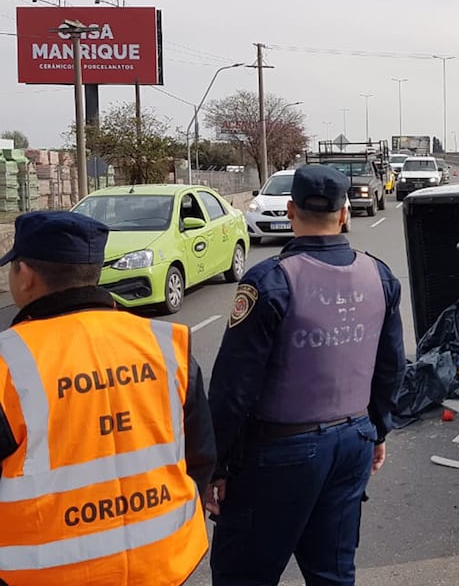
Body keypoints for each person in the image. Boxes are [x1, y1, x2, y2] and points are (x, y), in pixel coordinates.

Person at [207, 164, 405, 586]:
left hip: (279, 452)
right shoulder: (379, 276)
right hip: (352, 441)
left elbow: (233, 388)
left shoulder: (271, 280)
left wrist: (215, 466)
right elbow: (391, 367)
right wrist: (379, 431)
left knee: (244, 573)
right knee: (332, 572)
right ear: (344, 212)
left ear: (292, 210)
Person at [0, 211, 215, 586]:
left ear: (26, 275)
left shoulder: (8, 362)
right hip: (164, 560)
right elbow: (200, 455)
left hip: (48, 574)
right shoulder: (165, 344)